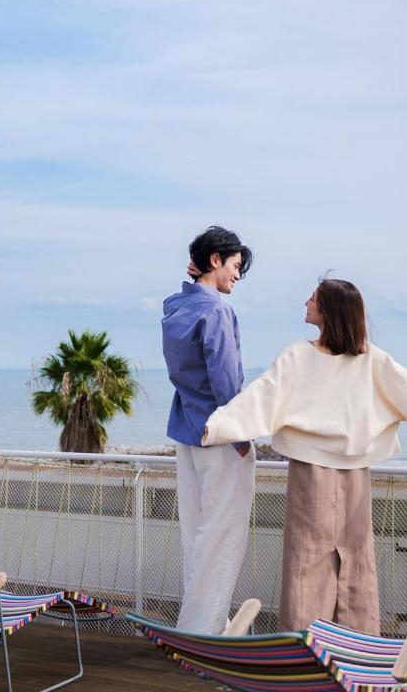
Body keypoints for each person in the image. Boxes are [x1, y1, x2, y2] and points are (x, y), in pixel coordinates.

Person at [202, 277, 407, 634]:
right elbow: (264, 395)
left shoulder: (352, 358)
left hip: (323, 470)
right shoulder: (350, 358)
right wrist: (222, 425)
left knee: (315, 561)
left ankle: (317, 647)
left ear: (329, 309)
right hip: (342, 470)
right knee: (346, 560)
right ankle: (344, 646)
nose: (305, 302)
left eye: (312, 298)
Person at [162, 225, 256, 634]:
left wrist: (195, 279)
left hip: (187, 431)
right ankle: (204, 631)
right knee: (221, 536)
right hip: (219, 435)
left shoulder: (177, 309)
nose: (237, 275)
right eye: (235, 266)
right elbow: (227, 383)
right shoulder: (216, 311)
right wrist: (242, 436)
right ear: (215, 260)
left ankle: (200, 624)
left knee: (196, 534)